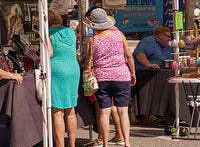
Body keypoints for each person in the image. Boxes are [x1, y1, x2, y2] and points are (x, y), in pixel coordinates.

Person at [84, 8, 136, 147]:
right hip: (121, 76)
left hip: (102, 78)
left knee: (104, 113)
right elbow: (129, 56)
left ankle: (105, 143)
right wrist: (133, 73)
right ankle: (127, 142)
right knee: (123, 111)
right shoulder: (119, 35)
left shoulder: (92, 40)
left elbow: (89, 62)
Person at [48, 10, 80, 147]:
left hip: (57, 71)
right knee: (71, 110)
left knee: (57, 112)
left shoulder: (47, 33)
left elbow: (49, 53)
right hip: (73, 70)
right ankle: (71, 144)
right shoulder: (71, 32)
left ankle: (60, 145)